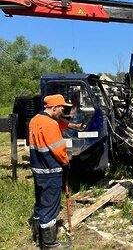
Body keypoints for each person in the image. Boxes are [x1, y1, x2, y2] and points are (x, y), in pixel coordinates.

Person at [29, 94, 72, 249]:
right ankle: (49, 244)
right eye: (62, 108)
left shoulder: (35, 120)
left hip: (38, 169)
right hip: (51, 170)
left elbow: (57, 127)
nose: (63, 111)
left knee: (40, 202)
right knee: (50, 206)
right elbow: (59, 149)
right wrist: (66, 161)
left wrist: (66, 117)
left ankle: (37, 235)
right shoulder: (50, 124)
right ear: (54, 108)